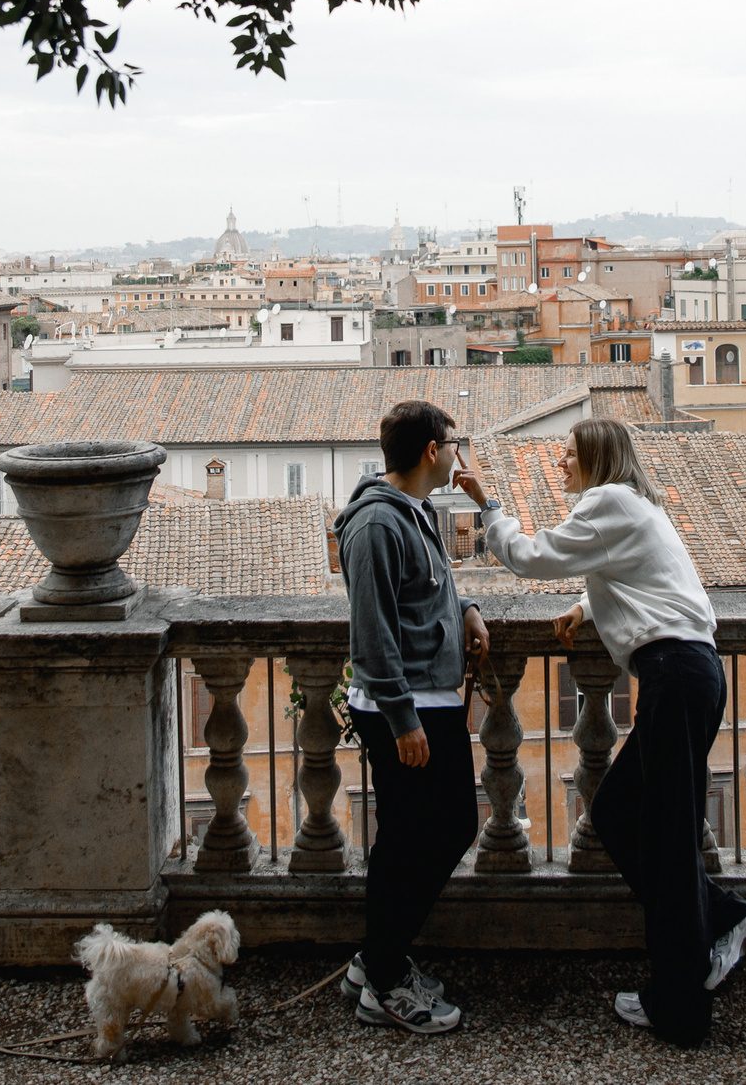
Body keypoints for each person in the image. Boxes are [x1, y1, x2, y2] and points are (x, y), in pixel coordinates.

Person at [474, 417, 746, 1046]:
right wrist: (588, 605)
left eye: (570, 455)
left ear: (598, 459)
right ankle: (718, 920)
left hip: (674, 673)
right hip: (688, 672)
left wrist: (491, 510)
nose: (561, 465)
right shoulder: (637, 506)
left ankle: (681, 1005)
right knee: (624, 816)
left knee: (660, 833)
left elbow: (529, 556)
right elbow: (652, 581)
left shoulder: (605, 501)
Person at [333, 399, 489, 1035]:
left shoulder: (415, 511)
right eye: (453, 443)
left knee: (415, 836)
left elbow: (432, 586)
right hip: (408, 708)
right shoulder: (375, 525)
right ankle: (385, 979)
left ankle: (378, 962)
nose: (457, 452)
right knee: (438, 831)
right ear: (432, 450)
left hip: (430, 698)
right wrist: (402, 720)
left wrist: (470, 607)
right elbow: (371, 634)